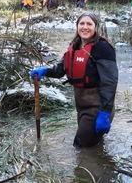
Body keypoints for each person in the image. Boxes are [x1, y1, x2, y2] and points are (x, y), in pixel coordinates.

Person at [30, 12, 118, 148]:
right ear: (77, 26)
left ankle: (88, 169)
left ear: (96, 27)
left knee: (80, 147)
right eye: (82, 23)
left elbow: (110, 83)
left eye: (89, 24)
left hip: (97, 108)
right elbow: (60, 70)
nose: (85, 27)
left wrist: (104, 113)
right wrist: (45, 71)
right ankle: (100, 164)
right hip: (81, 106)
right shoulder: (75, 46)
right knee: (93, 147)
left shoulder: (103, 48)